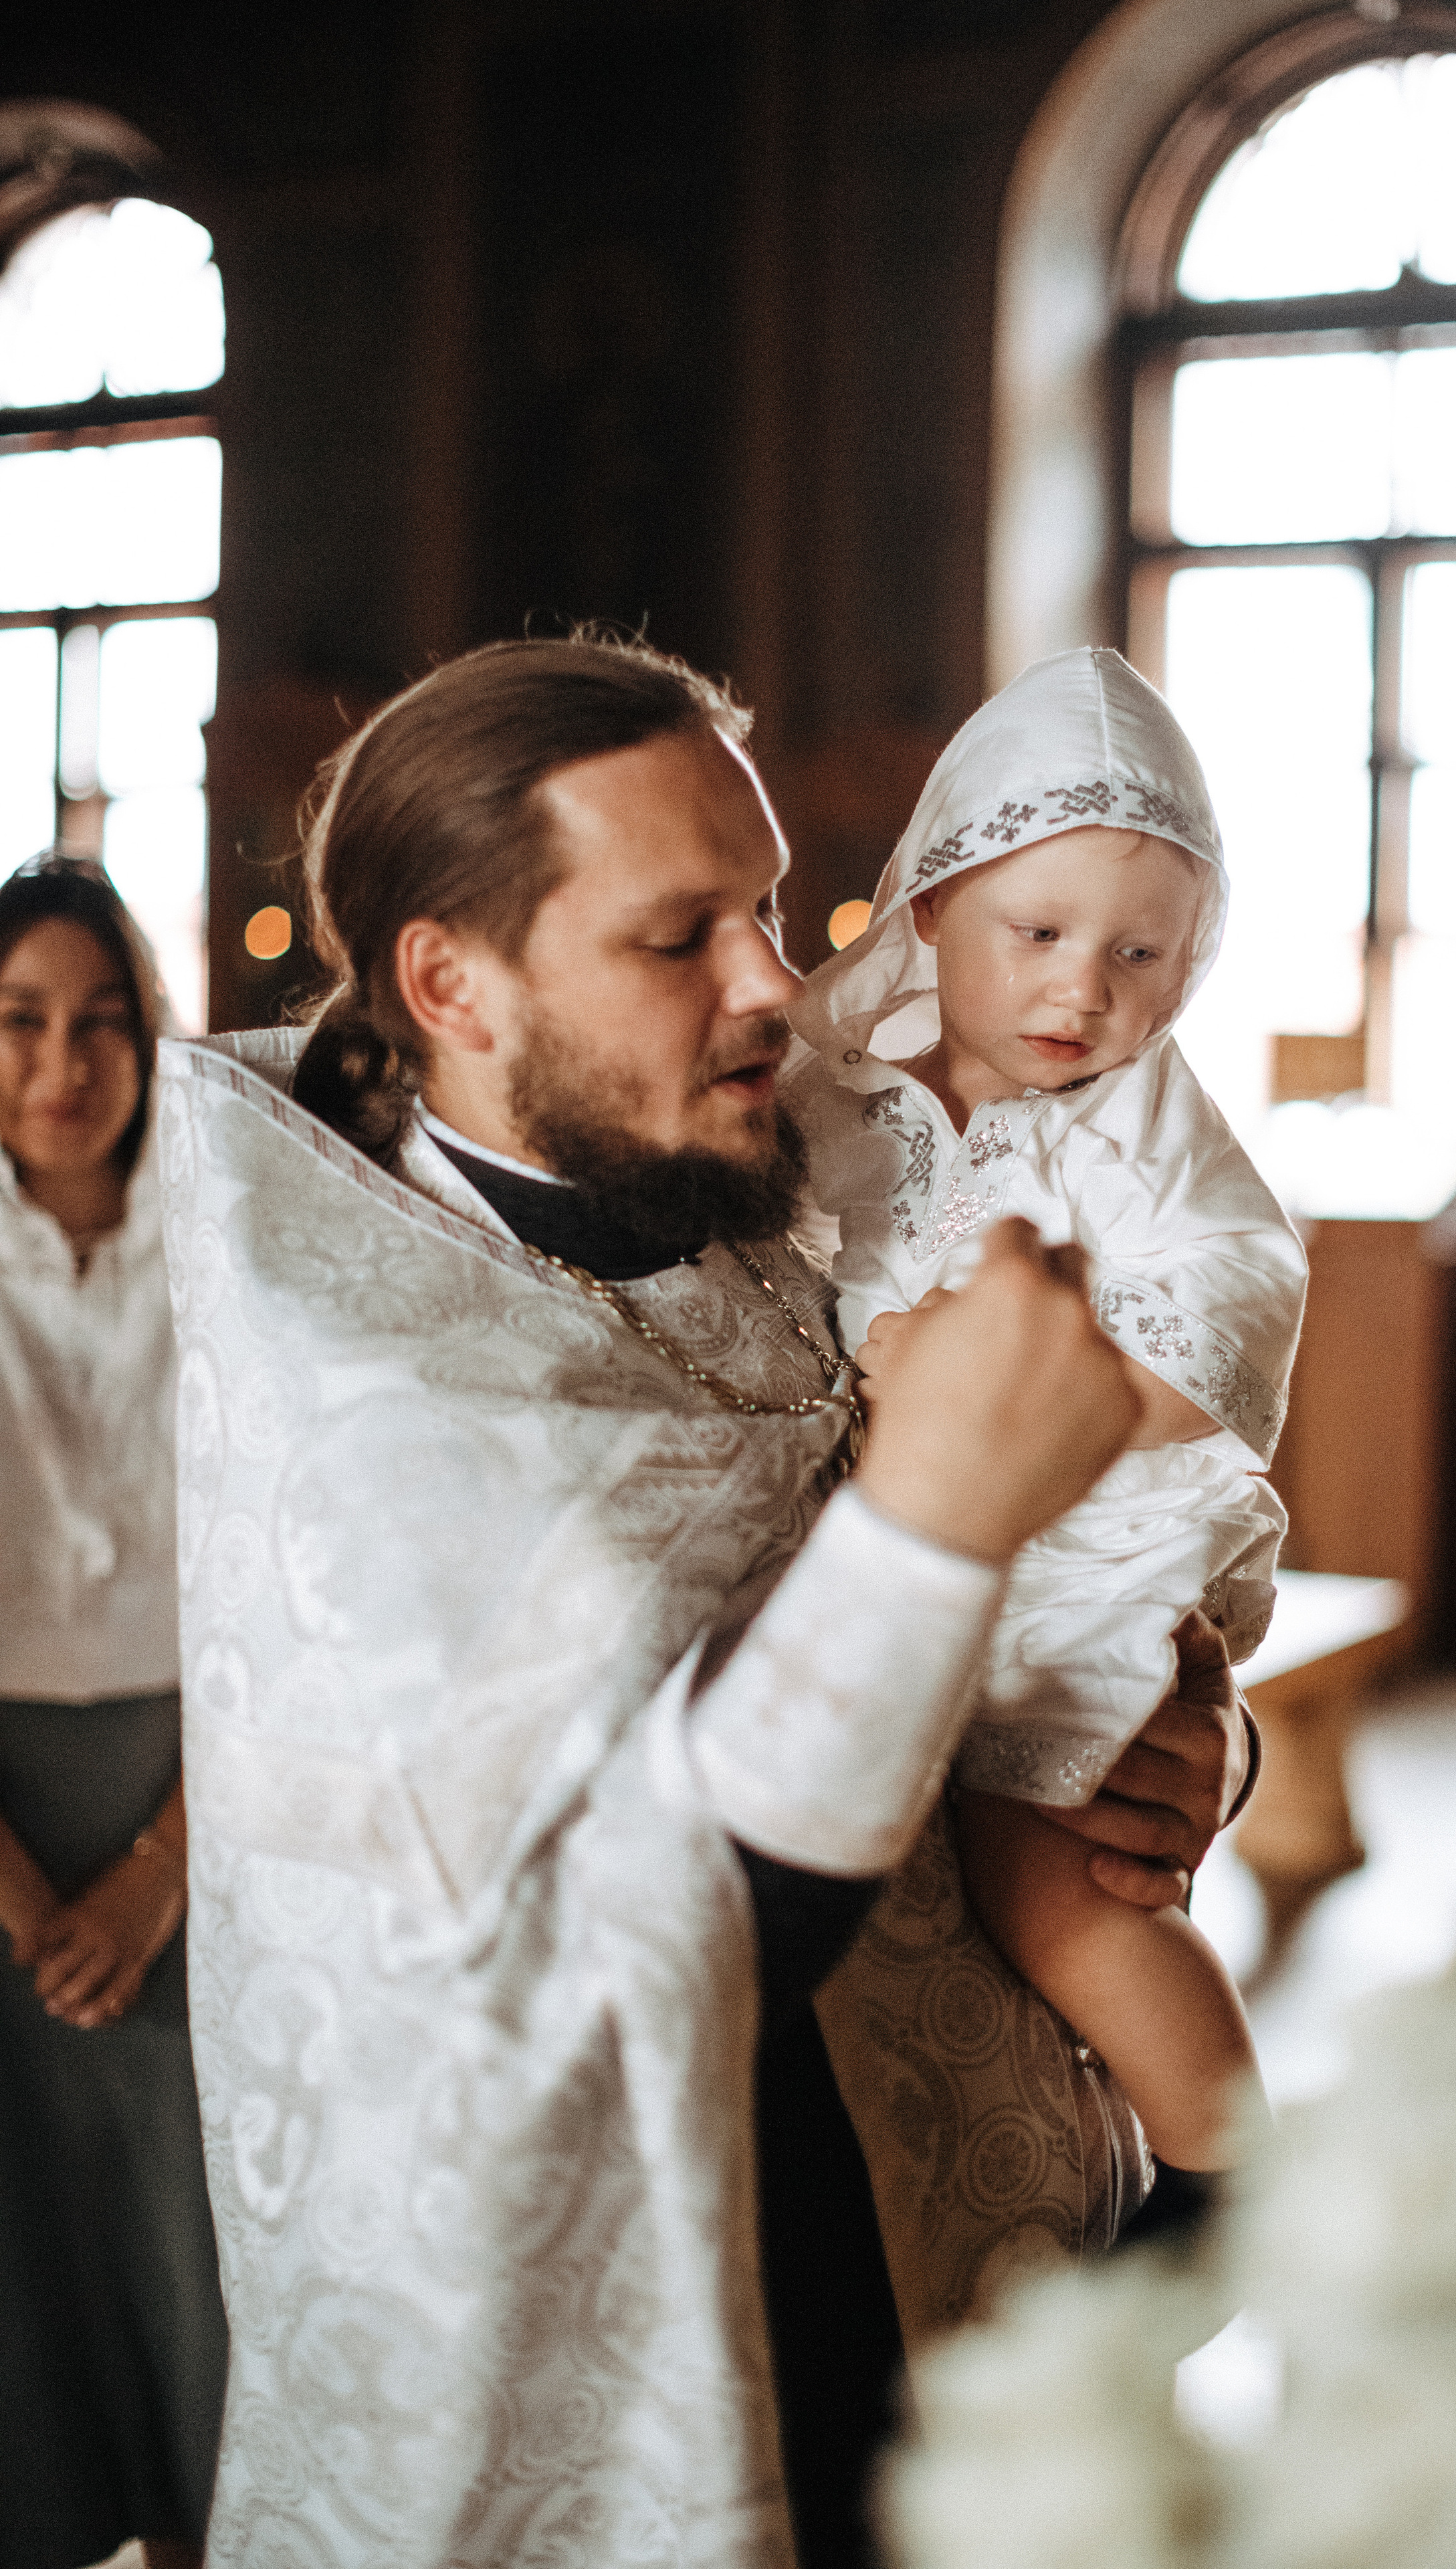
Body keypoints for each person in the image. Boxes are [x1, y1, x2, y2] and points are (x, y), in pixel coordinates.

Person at [159, 634, 1254, 2569]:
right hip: (661, 2324)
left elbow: (1048, 1562)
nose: (779, 981)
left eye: (762, 906)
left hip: (977, 2222)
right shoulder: (358, 1393)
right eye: (685, 936)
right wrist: (937, 1523)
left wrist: (1184, 1738)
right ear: (451, 983)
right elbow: (641, 1924)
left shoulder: (740, 1178)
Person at [786, 648, 1306, 2316]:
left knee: (1054, 1869)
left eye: (1142, 952)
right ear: (926, 908)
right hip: (874, 1612)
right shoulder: (812, 1088)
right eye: (1039, 934)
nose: (1086, 990)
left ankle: (1226, 2161)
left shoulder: (1140, 1121)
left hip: (1081, 1533)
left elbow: (1232, 1287)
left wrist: (1006, 1382)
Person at [0, 854, 227, 2569]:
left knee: (191, 2228)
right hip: (4, 1803)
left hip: (202, 1779)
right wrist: (19, 1895)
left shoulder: (225, 1256)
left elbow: (300, 1596)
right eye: (14, 1024)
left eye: (100, 1024)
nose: (60, 1068)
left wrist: (159, 1864)